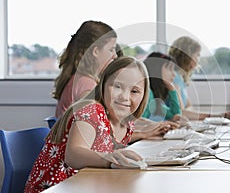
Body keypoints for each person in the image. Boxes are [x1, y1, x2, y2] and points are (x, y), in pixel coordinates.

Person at [25, 57, 162, 192]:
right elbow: (73, 155)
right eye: (117, 86)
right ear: (103, 85)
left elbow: (105, 139)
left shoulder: (126, 123)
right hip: (56, 188)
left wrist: (146, 133)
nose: (124, 97)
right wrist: (108, 159)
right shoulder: (92, 111)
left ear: (144, 96)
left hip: (83, 186)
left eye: (134, 91)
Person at [53, 20, 118, 118]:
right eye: (111, 49)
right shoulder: (86, 84)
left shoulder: (78, 79)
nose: (115, 56)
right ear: (96, 51)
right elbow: (96, 123)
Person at [168, 36, 230, 120]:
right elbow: (181, 112)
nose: (198, 59)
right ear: (187, 56)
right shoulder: (174, 78)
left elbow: (189, 107)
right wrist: (216, 115)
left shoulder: (180, 78)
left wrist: (188, 112)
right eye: (197, 55)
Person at [142, 52, 188, 124]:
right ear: (156, 69)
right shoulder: (146, 92)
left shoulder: (155, 99)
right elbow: (136, 123)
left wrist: (172, 89)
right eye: (169, 69)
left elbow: (175, 115)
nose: (174, 74)